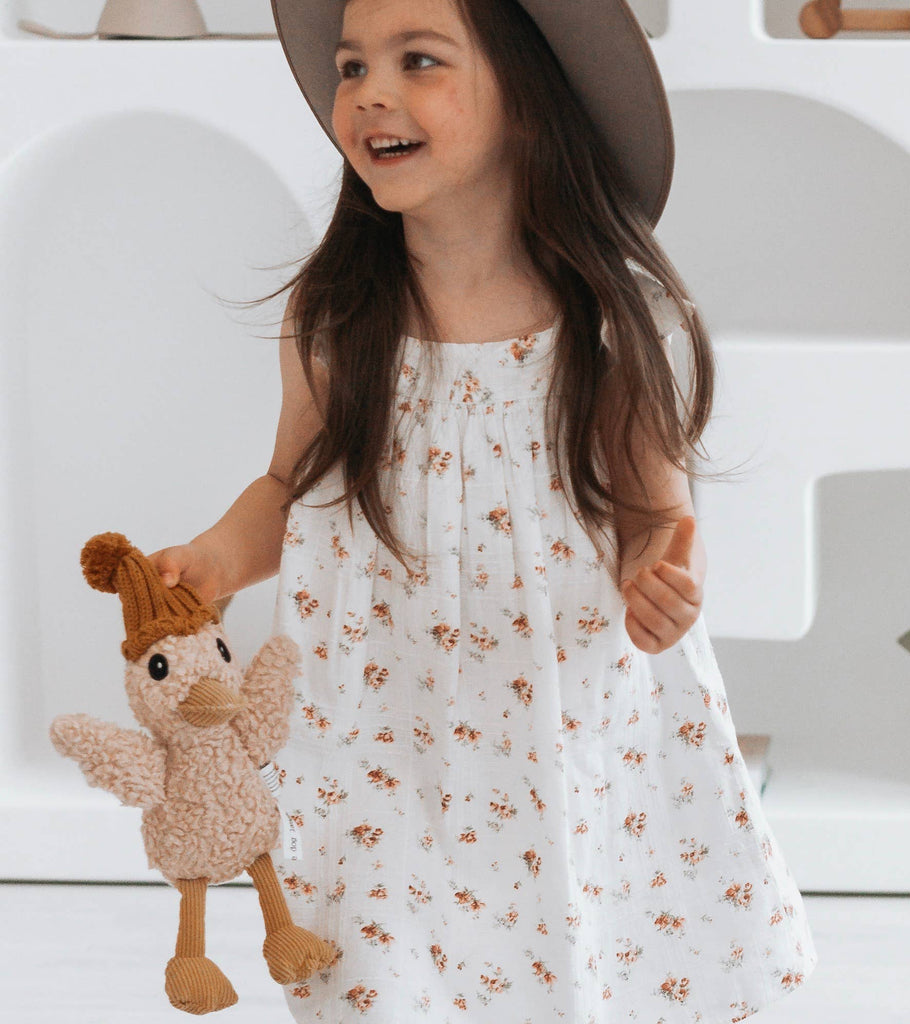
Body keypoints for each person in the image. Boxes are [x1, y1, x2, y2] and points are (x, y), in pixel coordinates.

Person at [148, 0, 819, 1020]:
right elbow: (289, 486)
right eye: (352, 67)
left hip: (555, 710)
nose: (369, 93)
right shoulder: (337, 315)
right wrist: (211, 561)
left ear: (530, 100)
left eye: (418, 61)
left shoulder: (610, 318)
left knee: (569, 937)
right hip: (378, 720)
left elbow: (655, 512)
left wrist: (660, 579)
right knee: (376, 964)